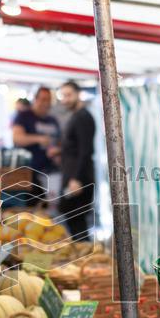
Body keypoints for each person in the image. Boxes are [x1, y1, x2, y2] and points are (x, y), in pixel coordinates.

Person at [56, 80, 96, 241]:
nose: (65, 99)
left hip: (78, 179)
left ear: (78, 94)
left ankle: (86, 253)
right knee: (74, 220)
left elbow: (86, 151)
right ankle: (83, 252)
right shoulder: (76, 116)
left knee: (77, 222)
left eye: (69, 95)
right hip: (73, 176)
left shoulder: (82, 117)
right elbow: (75, 147)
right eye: (63, 96)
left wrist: (76, 179)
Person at [12, 86, 60, 205]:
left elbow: (59, 142)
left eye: (48, 100)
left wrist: (57, 151)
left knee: (50, 209)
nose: (46, 103)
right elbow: (17, 138)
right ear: (35, 99)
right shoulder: (24, 116)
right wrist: (38, 139)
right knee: (32, 209)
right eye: (43, 99)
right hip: (29, 174)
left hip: (50, 173)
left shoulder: (52, 120)